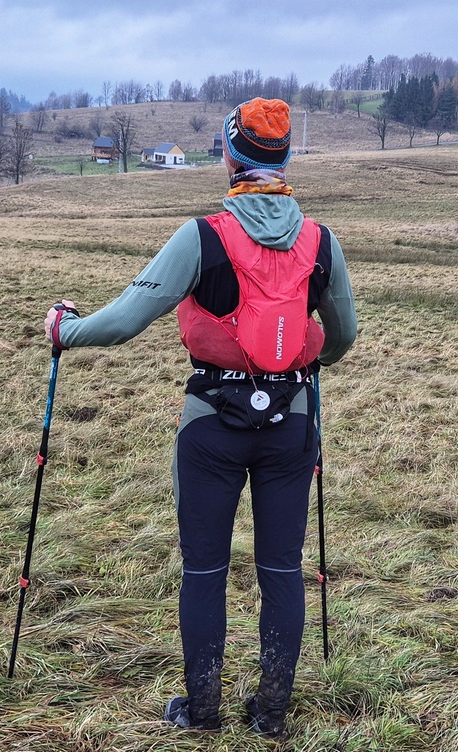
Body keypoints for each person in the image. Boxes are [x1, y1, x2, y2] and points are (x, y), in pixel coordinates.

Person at [43, 98, 357, 737]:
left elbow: (127, 319)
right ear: (285, 155)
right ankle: (271, 715)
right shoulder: (322, 242)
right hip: (292, 422)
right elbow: (344, 335)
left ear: (229, 154)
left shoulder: (202, 237)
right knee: (281, 569)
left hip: (210, 424)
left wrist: (65, 330)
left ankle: (203, 711)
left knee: (205, 569)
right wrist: (301, 356)